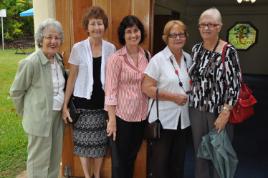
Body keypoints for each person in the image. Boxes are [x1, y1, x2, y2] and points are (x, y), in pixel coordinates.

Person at [62, 6, 116, 178]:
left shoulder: (111, 48)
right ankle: (87, 175)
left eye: (99, 23)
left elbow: (113, 78)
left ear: (104, 26)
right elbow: (72, 78)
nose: (96, 27)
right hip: (82, 104)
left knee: (100, 145)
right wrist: (65, 105)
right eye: (92, 24)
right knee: (83, 144)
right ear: (87, 27)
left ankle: (97, 175)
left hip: (103, 105)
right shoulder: (78, 48)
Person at [189, 7, 241, 178]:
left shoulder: (228, 51)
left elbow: (235, 85)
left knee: (219, 155)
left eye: (211, 24)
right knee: (200, 154)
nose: (206, 28)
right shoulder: (196, 49)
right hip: (196, 110)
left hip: (218, 112)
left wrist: (226, 112)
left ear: (219, 26)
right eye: (202, 24)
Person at [10, 18, 65, 178]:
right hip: (39, 119)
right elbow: (16, 92)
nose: (53, 41)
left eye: (57, 37)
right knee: (38, 162)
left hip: (57, 117)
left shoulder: (58, 59)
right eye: (49, 37)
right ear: (41, 39)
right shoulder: (31, 62)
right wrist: (29, 115)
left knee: (54, 158)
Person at [142, 20, 192, 178]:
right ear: (166, 37)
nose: (178, 38)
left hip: (183, 120)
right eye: (173, 35)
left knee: (178, 163)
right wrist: (172, 97)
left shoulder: (188, 58)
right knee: (160, 164)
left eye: (181, 34)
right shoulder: (158, 60)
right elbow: (146, 88)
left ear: (186, 36)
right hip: (163, 120)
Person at [105, 15, 149, 178]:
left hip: (141, 116)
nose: (133, 35)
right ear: (123, 35)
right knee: (119, 162)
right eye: (128, 31)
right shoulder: (116, 58)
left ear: (141, 32)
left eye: (136, 30)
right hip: (121, 117)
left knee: (131, 158)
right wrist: (112, 121)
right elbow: (110, 91)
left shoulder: (147, 56)